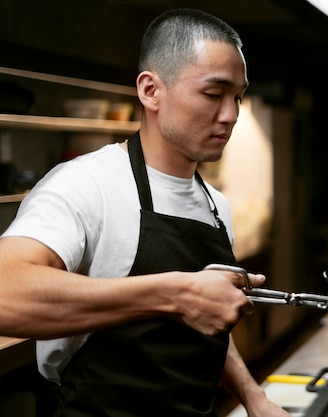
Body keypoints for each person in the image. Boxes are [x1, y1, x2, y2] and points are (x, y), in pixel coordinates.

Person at [0, 8, 291, 417]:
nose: (230, 116)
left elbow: (204, 327)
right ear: (151, 90)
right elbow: (5, 293)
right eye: (213, 94)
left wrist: (253, 397)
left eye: (237, 97)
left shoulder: (215, 205)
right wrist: (177, 293)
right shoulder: (88, 184)